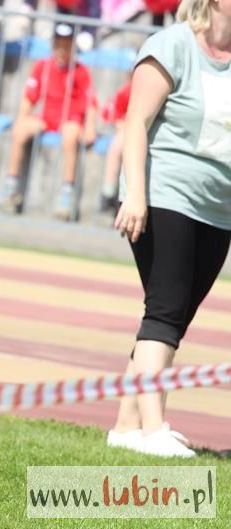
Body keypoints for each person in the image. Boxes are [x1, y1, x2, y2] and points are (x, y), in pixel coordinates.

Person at [108, 0, 231, 458]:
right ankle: (153, 428)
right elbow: (136, 123)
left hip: (218, 208)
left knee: (171, 318)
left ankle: (126, 426)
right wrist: (135, 195)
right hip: (164, 194)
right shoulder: (171, 46)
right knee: (165, 310)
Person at [0, 22, 97, 220]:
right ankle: (10, 186)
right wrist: (22, 117)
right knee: (20, 129)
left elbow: (91, 102)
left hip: (70, 118)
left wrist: (90, 128)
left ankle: (66, 194)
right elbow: (29, 97)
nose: (62, 49)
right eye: (58, 44)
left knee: (70, 135)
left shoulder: (81, 71)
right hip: (47, 117)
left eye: (66, 45)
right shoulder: (42, 66)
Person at [98, 76, 131, 214]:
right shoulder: (126, 91)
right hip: (127, 133)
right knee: (117, 146)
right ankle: (108, 192)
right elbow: (117, 118)